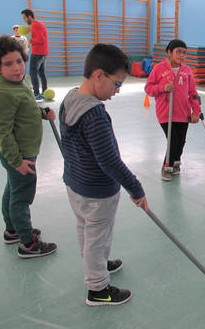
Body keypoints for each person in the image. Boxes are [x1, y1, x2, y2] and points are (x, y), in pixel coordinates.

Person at [59, 43, 148, 306]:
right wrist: (136, 188)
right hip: (97, 192)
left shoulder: (71, 97)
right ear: (99, 75)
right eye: (117, 84)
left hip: (75, 184)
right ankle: (98, 289)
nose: (118, 91)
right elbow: (109, 160)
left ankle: (96, 264)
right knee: (98, 235)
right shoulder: (94, 114)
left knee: (86, 230)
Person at [0, 35, 57, 258]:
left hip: (24, 151)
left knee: (13, 189)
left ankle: (12, 230)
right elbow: (2, 131)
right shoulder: (2, 92)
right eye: (8, 64)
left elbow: (24, 111)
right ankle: (28, 244)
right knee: (21, 196)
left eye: (19, 61)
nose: (16, 68)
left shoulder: (21, 82)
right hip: (19, 154)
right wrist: (17, 161)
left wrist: (42, 114)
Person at [144, 39, 201, 181]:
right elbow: (148, 89)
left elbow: (193, 93)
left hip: (183, 113)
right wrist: (162, 88)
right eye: (178, 52)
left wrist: (196, 112)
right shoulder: (159, 68)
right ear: (169, 53)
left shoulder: (187, 71)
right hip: (165, 113)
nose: (181, 55)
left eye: (184, 52)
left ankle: (176, 163)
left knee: (181, 141)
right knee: (173, 141)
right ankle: (166, 167)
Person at [21, 9, 49, 101]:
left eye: (25, 18)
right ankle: (44, 91)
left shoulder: (36, 25)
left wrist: (30, 42)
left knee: (33, 73)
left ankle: (36, 94)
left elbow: (40, 39)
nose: (24, 20)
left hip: (37, 53)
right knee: (41, 73)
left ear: (30, 17)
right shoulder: (39, 23)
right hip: (44, 52)